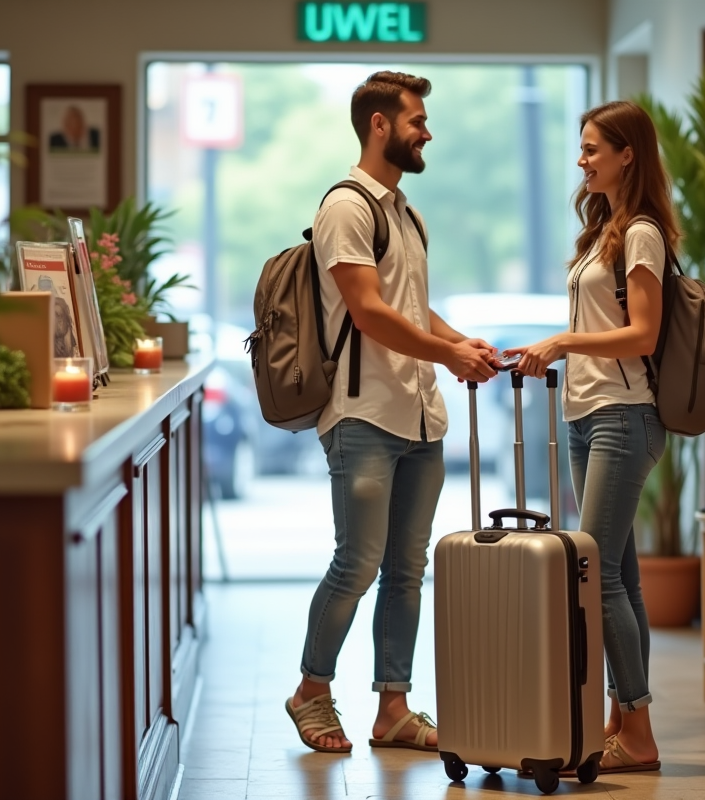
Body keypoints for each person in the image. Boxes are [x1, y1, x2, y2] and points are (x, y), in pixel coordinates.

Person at [285, 71, 498, 755]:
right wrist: (446, 352)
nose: (426, 131)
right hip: (363, 415)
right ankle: (311, 690)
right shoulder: (346, 207)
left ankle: (393, 710)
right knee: (358, 562)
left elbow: (409, 306)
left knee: (407, 570)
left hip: (419, 416)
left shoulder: (407, 214)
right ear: (380, 125)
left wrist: (459, 344)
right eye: (417, 120)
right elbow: (369, 312)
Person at [504, 100, 675, 774]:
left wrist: (564, 341)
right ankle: (622, 722)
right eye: (581, 149)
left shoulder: (642, 233)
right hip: (587, 415)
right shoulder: (605, 229)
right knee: (619, 577)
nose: (581, 160)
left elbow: (644, 336)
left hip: (623, 417)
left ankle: (640, 734)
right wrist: (550, 349)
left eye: (592, 149)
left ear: (628, 154)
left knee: (593, 574)